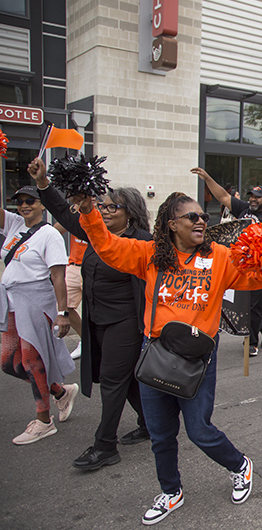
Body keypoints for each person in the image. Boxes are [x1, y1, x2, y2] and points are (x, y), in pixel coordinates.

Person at [73, 190, 262, 525]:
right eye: (193, 217)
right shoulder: (150, 254)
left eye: (204, 217)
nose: (202, 221)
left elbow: (258, 278)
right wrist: (88, 210)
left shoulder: (220, 257)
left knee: (198, 430)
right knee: (161, 433)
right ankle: (171, 491)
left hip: (197, 359)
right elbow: (107, 246)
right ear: (172, 225)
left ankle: (239, 464)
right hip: (155, 354)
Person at [30, 156, 153, 470]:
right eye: (104, 206)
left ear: (131, 213)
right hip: (97, 320)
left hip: (127, 322)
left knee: (113, 380)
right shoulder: (97, 234)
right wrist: (44, 183)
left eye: (113, 207)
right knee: (126, 381)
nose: (105, 211)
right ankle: (151, 424)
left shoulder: (142, 243)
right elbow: (64, 213)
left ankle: (105, 445)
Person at [0, 185, 77, 445]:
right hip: (11, 302)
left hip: (35, 301)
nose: (24, 206)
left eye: (30, 201)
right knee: (8, 362)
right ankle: (59, 391)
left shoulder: (49, 235)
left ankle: (44, 421)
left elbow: (58, 276)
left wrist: (62, 313)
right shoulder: (13, 224)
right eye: (19, 201)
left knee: (32, 361)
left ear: (42, 204)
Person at [192, 168, 262, 356]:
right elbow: (223, 197)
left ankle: (251, 343)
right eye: (251, 196)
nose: (252, 199)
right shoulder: (243, 209)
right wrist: (208, 178)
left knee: (254, 307)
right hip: (240, 269)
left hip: (261, 272)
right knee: (244, 304)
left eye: (257, 197)